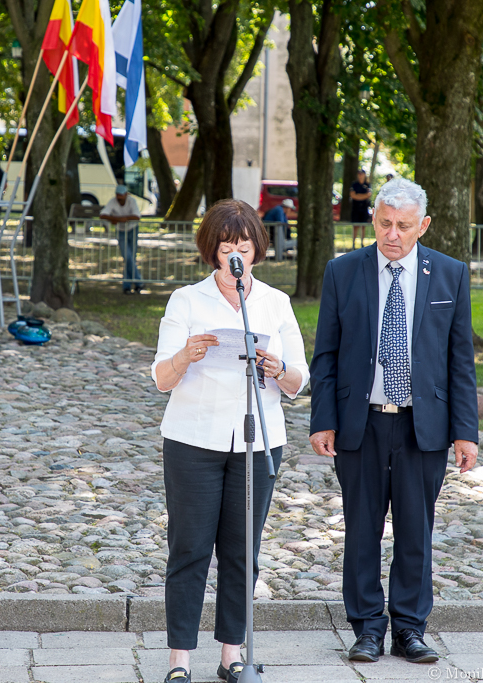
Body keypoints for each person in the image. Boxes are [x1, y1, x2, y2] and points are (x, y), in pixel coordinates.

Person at [308, 177, 478, 665]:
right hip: (360, 422)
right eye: (385, 223)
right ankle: (366, 628)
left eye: (404, 226)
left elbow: (460, 359)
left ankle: (409, 628)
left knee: (415, 532)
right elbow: (326, 354)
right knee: (361, 530)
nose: (393, 234)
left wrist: (465, 432)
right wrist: (323, 419)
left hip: (423, 426)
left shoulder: (450, 274)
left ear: (423, 226)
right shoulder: (343, 271)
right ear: (374, 220)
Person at [151, 199, 309, 683]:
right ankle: (180, 659)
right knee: (190, 548)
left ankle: (231, 655)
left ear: (257, 250)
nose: (235, 257)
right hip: (193, 439)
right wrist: (185, 356)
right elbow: (161, 378)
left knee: (242, 552)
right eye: (225, 248)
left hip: (258, 441)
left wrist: (278, 368)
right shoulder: (186, 300)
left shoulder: (275, 303)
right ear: (212, 251)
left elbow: (300, 380)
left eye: (243, 247)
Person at [100, 184, 142, 294]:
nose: (119, 198)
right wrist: (116, 219)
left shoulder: (132, 201)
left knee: (131, 258)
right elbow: (103, 214)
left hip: (132, 229)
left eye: (121, 195)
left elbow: (137, 216)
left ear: (126, 195)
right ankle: (138, 282)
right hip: (121, 231)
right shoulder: (112, 202)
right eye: (117, 195)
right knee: (127, 257)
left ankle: (127, 285)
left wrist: (125, 218)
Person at [350, 169, 372, 250]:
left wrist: (358, 196)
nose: (360, 176)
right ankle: (353, 243)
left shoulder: (367, 185)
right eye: (359, 174)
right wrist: (362, 196)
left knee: (363, 226)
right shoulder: (354, 184)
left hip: (364, 208)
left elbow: (368, 195)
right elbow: (352, 195)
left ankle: (362, 243)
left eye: (362, 174)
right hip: (355, 208)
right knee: (355, 226)